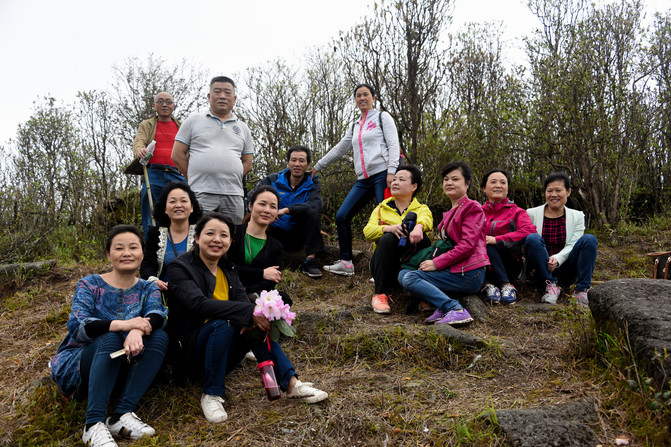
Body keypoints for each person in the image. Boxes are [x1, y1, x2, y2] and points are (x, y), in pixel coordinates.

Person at [166, 213, 327, 423]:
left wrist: (255, 314)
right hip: (191, 353)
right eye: (210, 234)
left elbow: (244, 304)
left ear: (230, 242)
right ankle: (212, 393)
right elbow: (199, 304)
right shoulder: (180, 267)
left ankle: (291, 384)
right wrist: (246, 313)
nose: (217, 239)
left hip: (224, 353)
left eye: (224, 235)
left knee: (255, 321)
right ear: (197, 238)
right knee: (229, 320)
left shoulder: (228, 268)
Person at [50, 226, 168, 447]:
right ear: (108, 254)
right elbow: (79, 325)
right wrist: (124, 324)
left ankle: (121, 415)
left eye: (133, 247)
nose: (127, 253)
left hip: (129, 359)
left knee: (159, 336)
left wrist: (136, 329)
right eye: (119, 248)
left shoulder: (147, 288)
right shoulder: (90, 284)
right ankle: (92, 424)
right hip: (86, 364)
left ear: (142, 253)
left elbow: (158, 314)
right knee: (109, 338)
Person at [310, 83, 400, 276]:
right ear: (355, 100)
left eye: (366, 94)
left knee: (384, 221)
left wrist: (392, 171)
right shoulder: (355, 125)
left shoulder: (382, 117)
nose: (362, 98)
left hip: (383, 174)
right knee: (342, 215)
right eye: (358, 95)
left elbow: (393, 143)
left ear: (373, 98)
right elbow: (340, 149)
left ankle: (385, 268)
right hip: (363, 179)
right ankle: (346, 262)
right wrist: (318, 166)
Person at [397, 161, 489, 326]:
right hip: (455, 268)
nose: (449, 183)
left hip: (470, 272)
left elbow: (467, 246)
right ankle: (439, 304)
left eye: (455, 179)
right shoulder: (450, 213)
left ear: (467, 183)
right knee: (404, 274)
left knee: (410, 277)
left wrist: (436, 263)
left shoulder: (472, 208)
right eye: (446, 179)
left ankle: (455, 309)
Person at [172, 76, 254, 224]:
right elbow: (177, 154)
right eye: (217, 91)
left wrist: (231, 173)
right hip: (200, 192)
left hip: (234, 194)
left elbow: (248, 161)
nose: (222, 96)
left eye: (227, 93)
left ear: (234, 99)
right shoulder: (193, 121)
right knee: (199, 235)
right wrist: (192, 177)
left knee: (232, 237)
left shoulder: (243, 128)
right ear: (209, 96)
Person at [363, 165, 433, 314]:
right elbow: (368, 231)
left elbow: (427, 219)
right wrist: (388, 228)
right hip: (384, 266)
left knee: (425, 240)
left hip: (408, 266)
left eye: (401, 179)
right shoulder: (381, 208)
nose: (395, 182)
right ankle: (380, 294)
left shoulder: (421, 208)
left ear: (414, 186)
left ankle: (422, 295)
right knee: (388, 238)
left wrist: (418, 227)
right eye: (394, 179)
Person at [250, 145, 324, 278]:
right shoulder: (273, 180)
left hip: (298, 233)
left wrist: (288, 210)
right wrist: (269, 211)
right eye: (293, 160)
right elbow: (251, 197)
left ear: (308, 165)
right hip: (273, 231)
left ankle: (310, 261)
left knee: (312, 213)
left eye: (301, 161)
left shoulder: (313, 182)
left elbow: (316, 204)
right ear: (288, 162)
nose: (297, 164)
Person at [525, 172, 598, 306]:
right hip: (542, 268)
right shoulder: (531, 213)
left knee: (589, 240)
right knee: (532, 238)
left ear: (568, 192)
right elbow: (529, 245)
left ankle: (582, 289)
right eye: (550, 191)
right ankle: (550, 286)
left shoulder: (577, 216)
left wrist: (558, 259)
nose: (554, 195)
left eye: (558, 190)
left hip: (567, 269)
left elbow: (574, 244)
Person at [229, 185, 293, 304]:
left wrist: (248, 289)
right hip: (228, 288)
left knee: (284, 300)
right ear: (250, 206)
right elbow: (226, 267)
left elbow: (272, 280)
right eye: (262, 204)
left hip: (254, 294)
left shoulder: (276, 246)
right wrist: (262, 273)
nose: (267, 210)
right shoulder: (232, 233)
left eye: (273, 206)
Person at [480, 169, 537, 305]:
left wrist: (497, 239)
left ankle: (507, 285)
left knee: (489, 244)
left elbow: (529, 230)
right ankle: (488, 286)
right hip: (482, 263)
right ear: (484, 188)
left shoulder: (517, 211)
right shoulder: (478, 212)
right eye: (493, 182)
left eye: (503, 182)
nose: (498, 185)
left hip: (509, 262)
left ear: (507, 189)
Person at [133, 92, 185, 238]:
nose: (164, 105)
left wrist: (187, 168)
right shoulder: (147, 124)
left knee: (180, 209)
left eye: (168, 102)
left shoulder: (182, 126)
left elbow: (191, 148)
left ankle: (177, 247)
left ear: (174, 106)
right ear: (154, 105)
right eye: (160, 101)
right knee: (152, 212)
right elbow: (139, 141)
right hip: (153, 173)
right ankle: (152, 250)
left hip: (176, 173)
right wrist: (140, 150)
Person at [140, 181, 203, 291]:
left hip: (196, 293)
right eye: (172, 201)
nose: (178, 205)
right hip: (163, 293)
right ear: (165, 208)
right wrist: (155, 281)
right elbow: (147, 265)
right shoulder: (155, 234)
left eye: (183, 201)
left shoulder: (202, 233)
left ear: (192, 207)